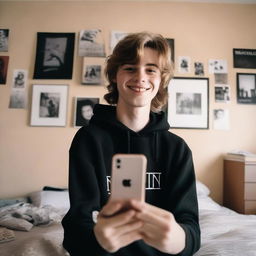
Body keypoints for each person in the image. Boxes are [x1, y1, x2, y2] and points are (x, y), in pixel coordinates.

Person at [62, 32, 201, 256]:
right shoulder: (88, 140)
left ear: (161, 79)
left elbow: (191, 228)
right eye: (130, 67)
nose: (140, 77)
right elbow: (77, 226)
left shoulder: (177, 148)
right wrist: (99, 241)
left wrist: (178, 240)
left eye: (151, 69)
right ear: (115, 75)